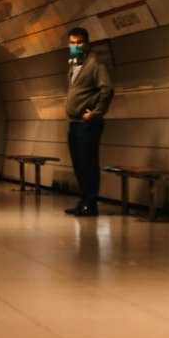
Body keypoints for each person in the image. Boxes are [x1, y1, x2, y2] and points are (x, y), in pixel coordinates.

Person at [63, 27, 113, 216]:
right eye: (72, 43)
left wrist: (95, 113)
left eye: (79, 42)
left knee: (88, 163)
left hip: (87, 124)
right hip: (74, 122)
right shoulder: (75, 63)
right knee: (78, 163)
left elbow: (107, 89)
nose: (76, 46)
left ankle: (90, 203)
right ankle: (83, 199)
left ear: (87, 42)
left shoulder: (95, 63)